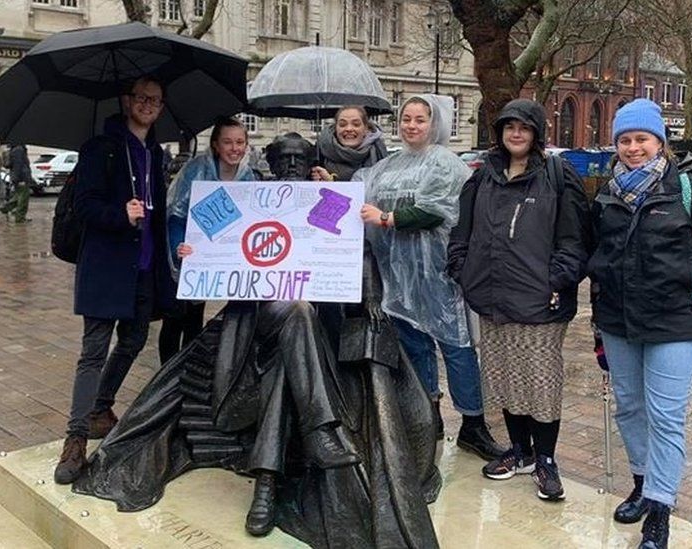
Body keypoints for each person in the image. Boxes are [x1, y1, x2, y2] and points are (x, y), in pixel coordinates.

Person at [73, 133, 441, 548]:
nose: (289, 167)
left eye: (298, 159)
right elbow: (209, 247)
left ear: (310, 162)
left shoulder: (327, 200)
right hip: (255, 318)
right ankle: (321, 430)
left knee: (292, 344)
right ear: (269, 162)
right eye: (282, 159)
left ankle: (266, 483)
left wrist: (371, 297)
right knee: (294, 313)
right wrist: (190, 252)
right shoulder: (251, 198)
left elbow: (359, 252)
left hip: (312, 321)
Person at [588, 99, 692, 549]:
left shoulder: (691, 192)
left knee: (666, 416)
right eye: (625, 140)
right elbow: (599, 261)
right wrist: (597, 320)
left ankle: (659, 509)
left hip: (676, 322)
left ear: (660, 143)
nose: (633, 148)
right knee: (629, 407)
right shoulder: (606, 194)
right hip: (619, 321)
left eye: (642, 139)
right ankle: (641, 482)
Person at [447, 99, 590, 501]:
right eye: (508, 127)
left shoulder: (557, 176)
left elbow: (575, 239)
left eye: (523, 128)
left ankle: (545, 458)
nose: (515, 134)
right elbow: (462, 232)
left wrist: (556, 279)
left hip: (540, 303)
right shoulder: (482, 178)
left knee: (540, 382)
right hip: (492, 298)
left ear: (536, 134)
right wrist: (463, 270)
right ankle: (520, 451)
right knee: (505, 379)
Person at [357, 94, 505, 461]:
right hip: (401, 276)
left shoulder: (446, 162)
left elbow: (433, 210)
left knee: (457, 349)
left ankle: (473, 423)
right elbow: (361, 194)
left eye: (419, 119)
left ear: (433, 122)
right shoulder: (389, 165)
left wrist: (388, 218)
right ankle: (428, 415)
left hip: (440, 273)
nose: (411, 125)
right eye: (406, 118)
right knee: (415, 348)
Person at [53, 76, 176, 485]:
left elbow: (158, 217)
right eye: (141, 97)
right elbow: (85, 206)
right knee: (93, 351)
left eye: (154, 100)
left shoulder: (155, 154)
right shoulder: (100, 149)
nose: (147, 105)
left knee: (135, 339)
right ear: (127, 101)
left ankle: (100, 408)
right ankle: (75, 440)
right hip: (105, 267)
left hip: (143, 269)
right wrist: (119, 214)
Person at [158, 117, 257, 364]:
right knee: (174, 320)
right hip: (188, 257)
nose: (235, 148)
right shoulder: (194, 171)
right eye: (228, 142)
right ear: (215, 145)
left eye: (239, 142)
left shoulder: (248, 177)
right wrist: (177, 247)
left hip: (215, 261)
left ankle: (185, 375)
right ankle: (165, 374)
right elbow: (175, 215)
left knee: (194, 320)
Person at [311, 106, 387, 182]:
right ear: (336, 128)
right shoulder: (319, 154)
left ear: (366, 129)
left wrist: (332, 183)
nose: (349, 129)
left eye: (356, 124)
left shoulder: (379, 153)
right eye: (342, 125)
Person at [0, 143, 33, 223]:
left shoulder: (15, 150)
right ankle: (20, 218)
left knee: (18, 196)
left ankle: (6, 208)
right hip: (22, 178)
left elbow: (11, 165)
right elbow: (18, 166)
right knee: (23, 198)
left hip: (18, 177)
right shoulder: (19, 150)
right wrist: (19, 179)